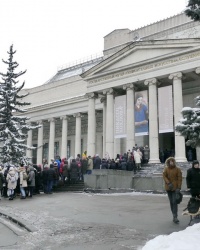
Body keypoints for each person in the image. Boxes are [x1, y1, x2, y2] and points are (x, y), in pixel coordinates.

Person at [163, 157, 182, 224]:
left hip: (175, 188)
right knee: (171, 202)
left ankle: (175, 216)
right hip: (169, 188)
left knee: (174, 202)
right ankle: (173, 215)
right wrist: (168, 183)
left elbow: (179, 179)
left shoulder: (177, 169)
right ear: (168, 162)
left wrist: (179, 188)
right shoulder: (166, 169)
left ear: (174, 162)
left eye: (172, 161)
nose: (171, 162)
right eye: (170, 161)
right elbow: (164, 176)